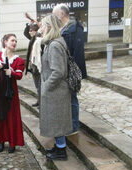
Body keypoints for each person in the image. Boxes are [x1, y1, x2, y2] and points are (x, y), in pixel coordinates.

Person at [40, 14, 72, 161]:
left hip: (56, 91)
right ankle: (59, 147)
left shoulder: (54, 45)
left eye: (43, 25)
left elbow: (58, 71)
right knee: (56, 121)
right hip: (56, 91)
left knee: (57, 121)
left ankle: (61, 150)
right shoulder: (52, 43)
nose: (41, 28)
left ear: (49, 27)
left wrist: (46, 86)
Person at [53, 4, 87, 135]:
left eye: (55, 14)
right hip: (62, 70)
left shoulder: (75, 28)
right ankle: (68, 124)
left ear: (62, 14)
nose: (54, 17)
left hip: (70, 71)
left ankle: (74, 127)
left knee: (72, 99)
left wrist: (74, 73)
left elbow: (78, 53)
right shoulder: (62, 29)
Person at [24, 13, 41, 107]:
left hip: (37, 65)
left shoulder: (38, 38)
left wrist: (34, 21)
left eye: (32, 30)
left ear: (36, 31)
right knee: (37, 85)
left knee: (40, 85)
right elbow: (25, 33)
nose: (30, 32)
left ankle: (41, 102)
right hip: (32, 65)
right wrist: (29, 24)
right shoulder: (32, 38)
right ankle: (39, 101)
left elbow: (41, 29)